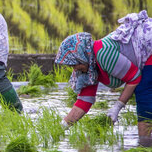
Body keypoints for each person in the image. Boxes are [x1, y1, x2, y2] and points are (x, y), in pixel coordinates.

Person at [55, 10, 152, 138]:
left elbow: (134, 77)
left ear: (82, 57)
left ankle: (145, 146)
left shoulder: (102, 54)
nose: (75, 69)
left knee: (143, 91)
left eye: (75, 64)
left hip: (148, 48)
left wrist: (117, 106)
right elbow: (84, 101)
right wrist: (60, 128)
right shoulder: (89, 69)